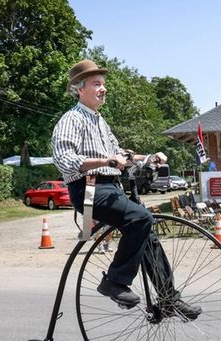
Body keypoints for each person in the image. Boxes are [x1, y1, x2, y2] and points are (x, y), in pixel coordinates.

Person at [52, 59, 200, 317]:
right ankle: (114, 282)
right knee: (140, 218)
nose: (103, 89)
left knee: (148, 234)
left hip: (111, 188)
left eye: (103, 84)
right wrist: (106, 161)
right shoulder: (71, 120)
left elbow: (120, 154)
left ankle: (168, 298)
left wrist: (148, 158)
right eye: (97, 84)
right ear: (79, 89)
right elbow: (65, 159)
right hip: (89, 189)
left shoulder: (100, 122)